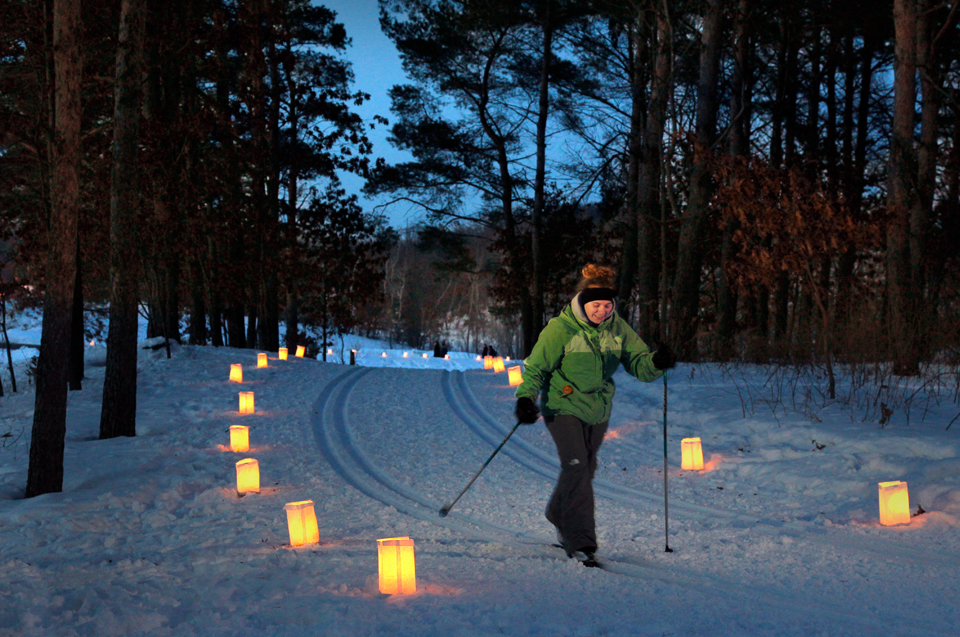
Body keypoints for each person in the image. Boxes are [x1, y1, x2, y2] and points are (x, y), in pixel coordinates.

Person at [514, 264, 676, 564]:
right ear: (582, 302)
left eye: (607, 304)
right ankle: (580, 542)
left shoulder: (618, 329)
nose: (602, 311)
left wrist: (657, 361)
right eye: (596, 305)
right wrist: (525, 398)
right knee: (576, 465)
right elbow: (536, 367)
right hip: (562, 405)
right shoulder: (561, 329)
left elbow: (640, 363)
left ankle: (556, 512)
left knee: (585, 468)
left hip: (598, 408)